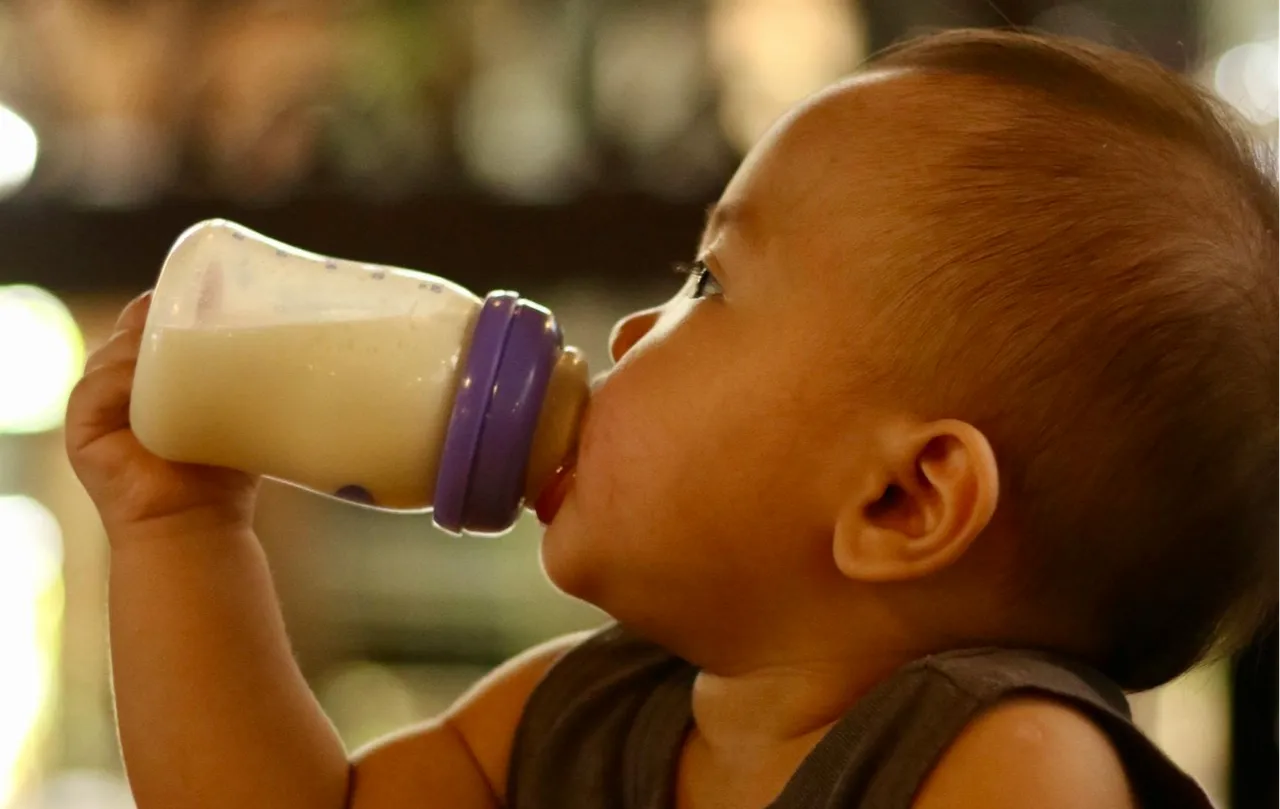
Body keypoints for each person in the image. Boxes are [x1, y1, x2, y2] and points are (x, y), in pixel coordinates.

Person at [67, 28, 1279, 809]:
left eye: (709, 283)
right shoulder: (576, 712)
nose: (636, 332)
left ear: (900, 499)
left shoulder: (1003, 764)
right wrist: (179, 531)